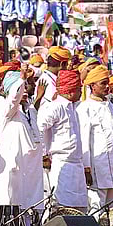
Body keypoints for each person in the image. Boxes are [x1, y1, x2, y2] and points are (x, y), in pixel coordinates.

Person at [0, 65, 42, 226]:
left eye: (26, 85)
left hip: (30, 169)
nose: (25, 89)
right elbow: (13, 99)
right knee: (11, 206)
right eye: (21, 86)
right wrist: (20, 78)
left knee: (29, 208)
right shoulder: (4, 108)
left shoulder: (28, 110)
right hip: (13, 167)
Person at [78, 66, 113, 211]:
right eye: (103, 83)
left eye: (108, 83)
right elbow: (84, 140)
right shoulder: (85, 108)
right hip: (97, 167)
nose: (107, 87)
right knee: (96, 207)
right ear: (92, 86)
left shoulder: (110, 106)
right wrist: (86, 168)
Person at [36, 70, 87, 210]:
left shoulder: (73, 108)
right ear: (70, 91)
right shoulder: (55, 107)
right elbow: (39, 128)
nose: (80, 93)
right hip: (61, 164)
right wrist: (43, 154)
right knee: (61, 207)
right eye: (79, 89)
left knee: (80, 208)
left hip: (77, 164)